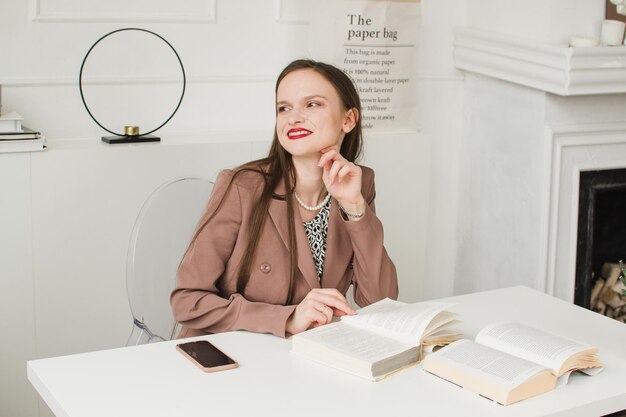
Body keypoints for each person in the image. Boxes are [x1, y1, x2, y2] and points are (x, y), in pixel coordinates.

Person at [171, 59, 398, 338]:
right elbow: (187, 301)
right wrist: (287, 318)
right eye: (284, 108)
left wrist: (355, 209)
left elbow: (380, 301)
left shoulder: (358, 183)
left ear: (348, 119)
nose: (294, 118)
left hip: (305, 356)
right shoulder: (243, 186)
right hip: (231, 355)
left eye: (312, 104)